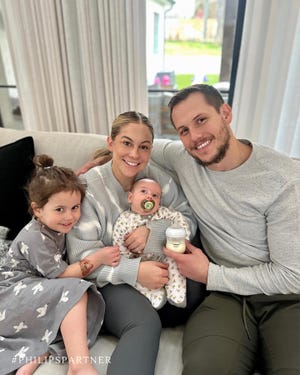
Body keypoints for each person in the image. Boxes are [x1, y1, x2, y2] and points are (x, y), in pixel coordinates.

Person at [149, 84, 300, 375]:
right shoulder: (185, 159)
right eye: (183, 130)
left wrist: (208, 274)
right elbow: (139, 147)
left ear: (225, 113)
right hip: (225, 298)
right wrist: (106, 157)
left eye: (201, 120)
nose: (195, 137)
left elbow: (292, 276)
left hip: (285, 299)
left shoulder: (283, 180)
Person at [67, 111, 206, 375]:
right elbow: (82, 259)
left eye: (144, 147)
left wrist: (152, 230)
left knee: (194, 293)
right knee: (145, 323)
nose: (134, 155)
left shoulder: (157, 178)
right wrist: (135, 272)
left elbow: (186, 217)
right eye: (126, 143)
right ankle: (119, 319)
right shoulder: (89, 188)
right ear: (111, 143)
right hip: (107, 280)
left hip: (159, 269)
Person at [0, 154, 120, 375]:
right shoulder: (35, 237)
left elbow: (68, 191)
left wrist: (88, 170)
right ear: (37, 210)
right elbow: (62, 275)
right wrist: (98, 258)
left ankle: (37, 354)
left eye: (75, 207)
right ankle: (79, 365)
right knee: (75, 290)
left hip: (32, 291)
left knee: (70, 317)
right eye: (60, 210)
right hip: (8, 299)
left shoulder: (57, 219)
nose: (70, 217)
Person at [113, 177, 190, 309]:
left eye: (155, 195)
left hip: (164, 254)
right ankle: (155, 296)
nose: (149, 197)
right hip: (139, 261)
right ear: (130, 197)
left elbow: (179, 219)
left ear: (159, 201)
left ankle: (176, 293)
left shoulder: (163, 213)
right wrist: (128, 256)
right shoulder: (124, 219)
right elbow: (118, 241)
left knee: (175, 262)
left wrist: (183, 235)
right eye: (144, 191)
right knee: (135, 278)